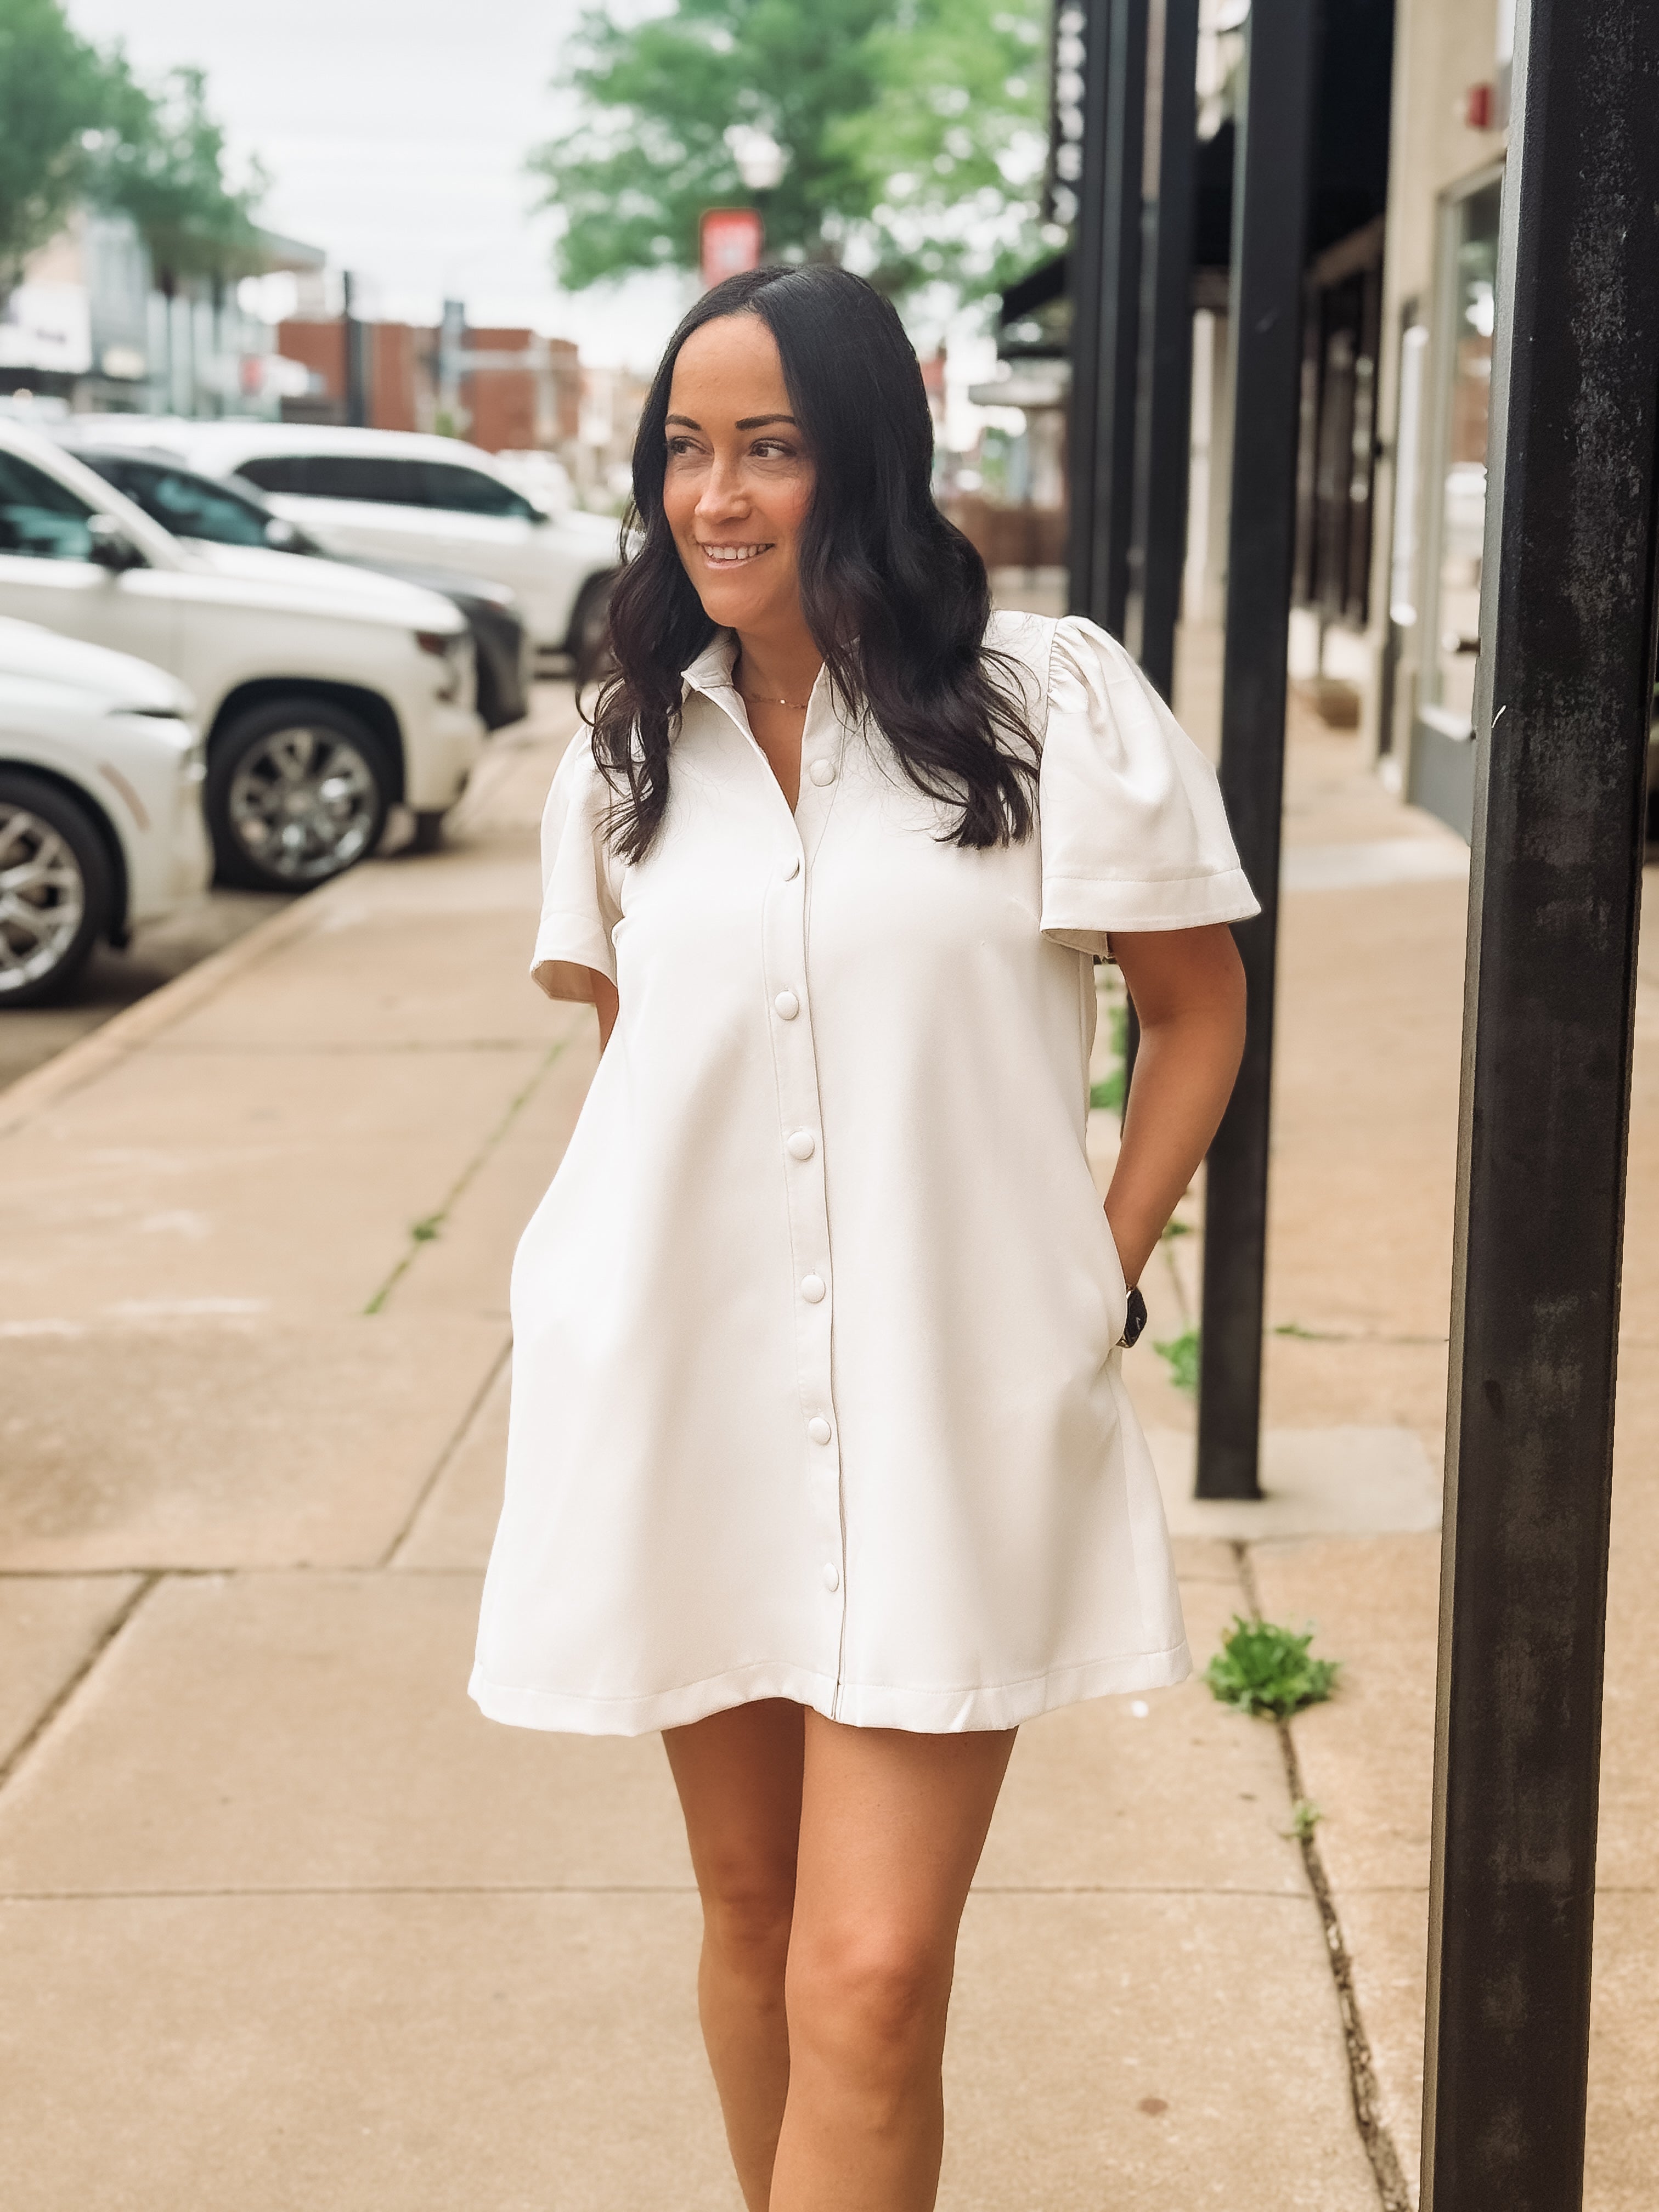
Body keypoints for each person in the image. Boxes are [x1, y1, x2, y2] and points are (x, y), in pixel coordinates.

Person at [470, 263, 1255, 2212]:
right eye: (685, 451)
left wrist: (1098, 1268)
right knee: (754, 1922)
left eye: (771, 449)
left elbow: (1197, 1010)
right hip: (685, 1397)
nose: (716, 496)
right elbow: (642, 1077)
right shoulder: (627, 752)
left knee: (873, 1974)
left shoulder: (1044, 704)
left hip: (943, 1412)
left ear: (870, 462)